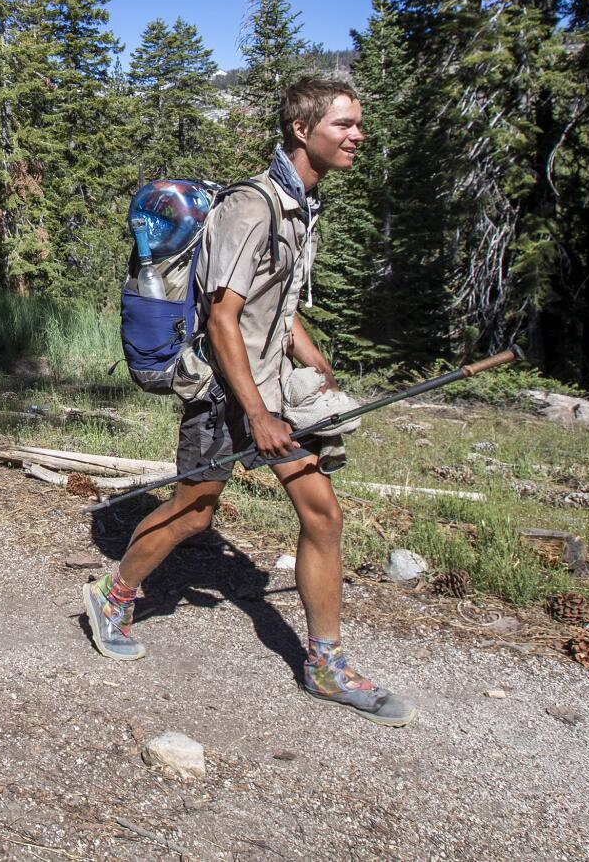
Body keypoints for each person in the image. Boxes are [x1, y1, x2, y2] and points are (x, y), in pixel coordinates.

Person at [81, 74, 414, 727]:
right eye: (344, 124)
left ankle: (325, 663)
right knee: (193, 514)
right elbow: (223, 315)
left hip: (269, 389)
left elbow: (270, 299)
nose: (357, 135)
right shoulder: (254, 205)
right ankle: (111, 595)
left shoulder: (300, 205)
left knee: (322, 515)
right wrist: (256, 412)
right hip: (222, 391)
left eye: (357, 123)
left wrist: (308, 352)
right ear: (302, 129)